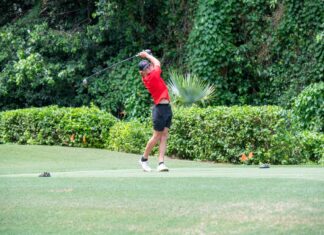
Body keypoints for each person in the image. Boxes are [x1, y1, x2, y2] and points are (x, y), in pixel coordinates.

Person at [137, 50, 172, 172]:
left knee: (164, 136)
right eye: (146, 68)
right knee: (156, 136)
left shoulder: (149, 75)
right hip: (159, 110)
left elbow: (154, 63)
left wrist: (146, 56)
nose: (150, 67)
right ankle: (143, 159)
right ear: (143, 72)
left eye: (149, 65)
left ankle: (161, 163)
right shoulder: (152, 76)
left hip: (167, 108)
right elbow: (157, 62)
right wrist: (147, 55)